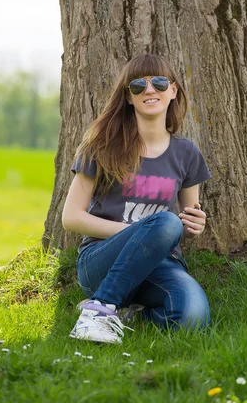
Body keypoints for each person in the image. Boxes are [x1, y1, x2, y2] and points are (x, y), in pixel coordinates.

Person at [62, 53, 212, 344]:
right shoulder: (102, 146)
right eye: (137, 86)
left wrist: (196, 225)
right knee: (165, 223)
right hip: (102, 260)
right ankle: (99, 310)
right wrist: (140, 233)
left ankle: (129, 312)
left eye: (158, 82)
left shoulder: (187, 153)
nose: (149, 90)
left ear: (173, 90)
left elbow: (187, 221)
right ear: (129, 98)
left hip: (160, 263)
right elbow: (71, 218)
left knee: (192, 318)